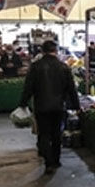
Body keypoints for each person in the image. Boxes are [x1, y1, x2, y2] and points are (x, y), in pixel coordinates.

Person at [19, 40, 80, 175]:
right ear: (56, 51)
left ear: (42, 51)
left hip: (41, 106)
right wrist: (76, 106)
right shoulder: (64, 67)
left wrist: (23, 103)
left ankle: (48, 162)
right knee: (56, 134)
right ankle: (56, 160)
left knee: (44, 134)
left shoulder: (35, 66)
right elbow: (71, 89)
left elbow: (28, 87)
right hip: (59, 106)